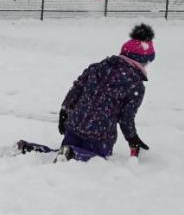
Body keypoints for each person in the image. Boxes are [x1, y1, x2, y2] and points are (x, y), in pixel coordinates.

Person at [18, 24, 155, 161]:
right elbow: (126, 118)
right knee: (97, 161)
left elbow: (76, 89)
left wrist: (65, 110)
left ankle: (30, 149)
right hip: (100, 134)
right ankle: (73, 153)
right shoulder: (135, 86)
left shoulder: (96, 68)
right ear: (141, 61)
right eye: (147, 62)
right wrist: (132, 138)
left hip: (74, 126)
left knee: (61, 154)